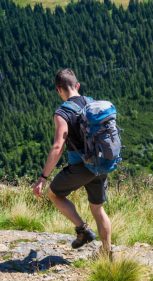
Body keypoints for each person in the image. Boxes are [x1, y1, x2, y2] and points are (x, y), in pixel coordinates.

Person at [32, 68, 111, 256]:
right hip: (102, 164)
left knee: (54, 194)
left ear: (59, 89)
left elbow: (58, 146)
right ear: (77, 85)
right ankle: (107, 254)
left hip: (82, 167)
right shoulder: (92, 104)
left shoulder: (62, 113)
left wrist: (43, 177)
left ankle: (82, 230)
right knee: (97, 209)